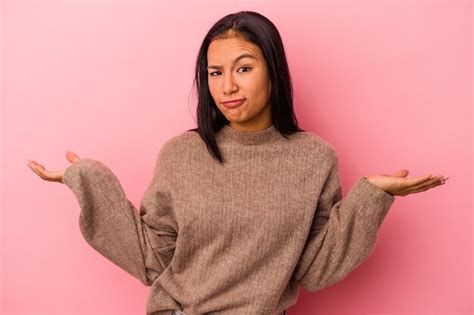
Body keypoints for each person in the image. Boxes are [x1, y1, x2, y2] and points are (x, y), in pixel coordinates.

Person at [26, 10, 448, 315]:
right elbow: (151, 259)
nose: (227, 86)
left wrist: (370, 197)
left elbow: (316, 270)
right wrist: (89, 180)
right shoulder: (182, 154)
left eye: (243, 68)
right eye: (213, 73)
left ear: (273, 72)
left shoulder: (314, 158)